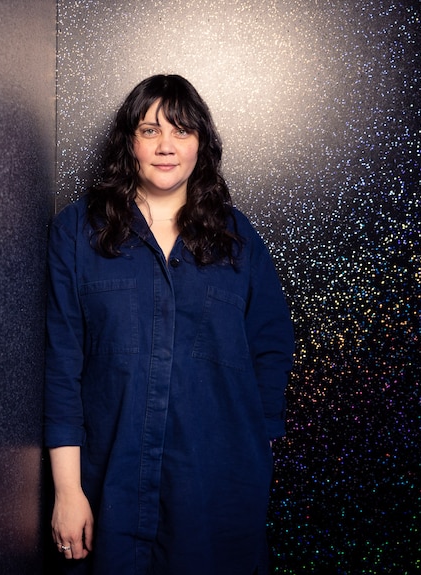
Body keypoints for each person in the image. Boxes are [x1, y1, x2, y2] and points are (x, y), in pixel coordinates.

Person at [44, 74, 294, 575]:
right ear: (129, 142)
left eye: (181, 132)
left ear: (201, 145)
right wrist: (68, 491)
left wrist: (254, 451)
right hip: (109, 486)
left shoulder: (237, 239)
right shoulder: (77, 232)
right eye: (150, 130)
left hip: (215, 487)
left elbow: (270, 345)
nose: (166, 147)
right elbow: (62, 363)